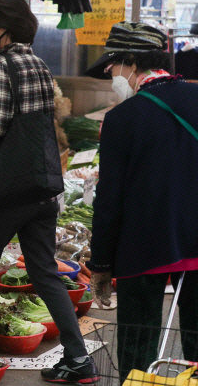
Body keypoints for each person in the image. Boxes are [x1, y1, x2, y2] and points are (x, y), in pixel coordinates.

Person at [0, 0, 99, 384]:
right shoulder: (39, 64)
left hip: (9, 192)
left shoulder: (2, 65)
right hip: (42, 188)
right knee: (45, 273)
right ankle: (79, 360)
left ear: (3, 26)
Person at [85, 21, 198, 380]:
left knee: (138, 342)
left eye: (113, 65)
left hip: (144, 245)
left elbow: (109, 198)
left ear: (132, 63)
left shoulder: (121, 119)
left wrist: (101, 264)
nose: (110, 73)